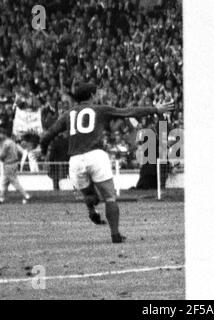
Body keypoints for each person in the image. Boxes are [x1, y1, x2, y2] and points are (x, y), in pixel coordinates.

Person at [40, 83, 174, 243]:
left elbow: (49, 134)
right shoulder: (100, 109)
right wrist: (155, 109)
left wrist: (42, 150)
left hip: (75, 160)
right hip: (96, 156)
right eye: (96, 93)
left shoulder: (68, 114)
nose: (98, 95)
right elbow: (128, 112)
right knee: (110, 197)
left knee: (89, 194)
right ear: (91, 95)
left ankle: (92, 208)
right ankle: (115, 234)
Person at [0, 127, 31, 204]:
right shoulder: (12, 142)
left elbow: (2, 155)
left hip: (8, 164)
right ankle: (1, 197)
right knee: (4, 182)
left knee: (14, 182)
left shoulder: (6, 144)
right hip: (13, 163)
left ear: (3, 134)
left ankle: (26, 195)